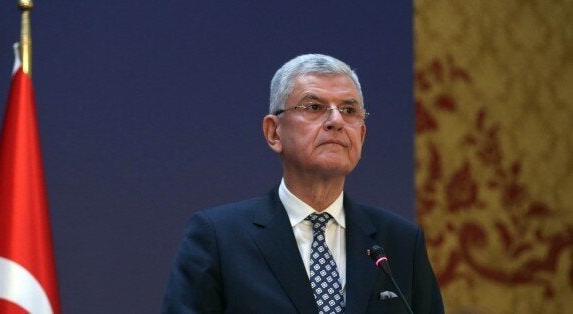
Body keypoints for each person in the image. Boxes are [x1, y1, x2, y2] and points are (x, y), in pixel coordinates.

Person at [161, 54, 444, 313]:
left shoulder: (400, 242)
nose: (336, 121)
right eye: (314, 107)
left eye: (348, 110)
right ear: (274, 132)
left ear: (362, 135)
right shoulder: (219, 238)